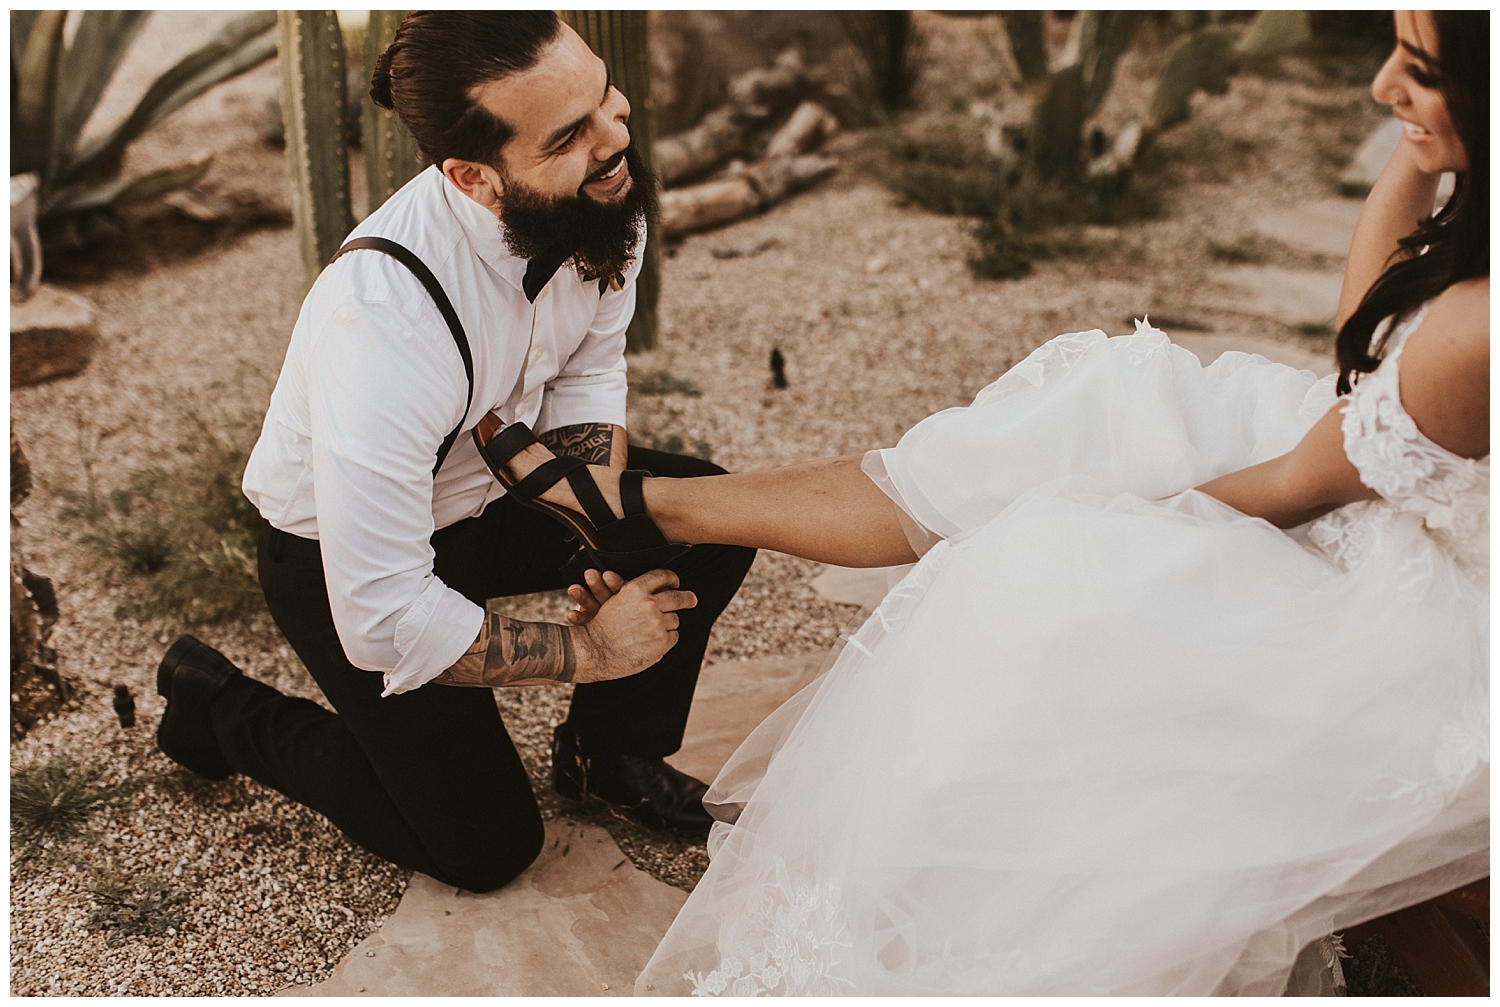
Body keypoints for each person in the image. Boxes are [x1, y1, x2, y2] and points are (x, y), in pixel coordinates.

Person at [478, 11, 1488, 994]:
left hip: (1413, 601)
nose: (1379, 89)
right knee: (1087, 424)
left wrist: (1090, 519)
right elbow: (1367, 348)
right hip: (1360, 478)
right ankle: (654, 505)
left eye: (1418, 69)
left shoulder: (1475, 335)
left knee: (1042, 540)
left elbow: (1296, 476)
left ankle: (648, 508)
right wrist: (1436, 145)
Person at [152, 12, 755, 896]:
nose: (615, 137)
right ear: (474, 176)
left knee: (708, 516)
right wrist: (588, 648)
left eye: (603, 96)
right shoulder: (383, 319)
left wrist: (604, 524)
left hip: (492, 497)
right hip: (340, 560)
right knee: (484, 847)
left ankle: (606, 756)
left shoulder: (597, 194)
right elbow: (387, 613)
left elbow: (590, 375)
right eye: (570, 135)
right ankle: (220, 706)